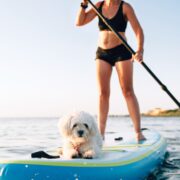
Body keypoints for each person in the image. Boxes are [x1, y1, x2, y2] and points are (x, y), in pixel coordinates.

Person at [76, 0, 145, 141]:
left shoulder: (125, 7)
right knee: (103, 93)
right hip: (102, 53)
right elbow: (80, 22)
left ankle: (138, 132)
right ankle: (101, 134)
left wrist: (139, 50)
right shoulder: (99, 5)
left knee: (127, 91)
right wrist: (83, 5)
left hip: (122, 51)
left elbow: (138, 30)